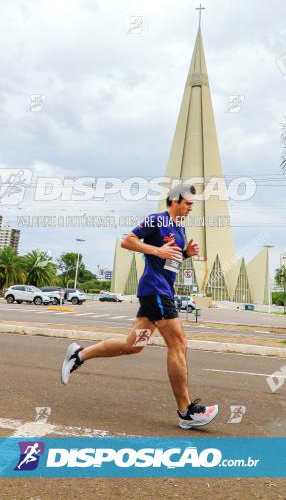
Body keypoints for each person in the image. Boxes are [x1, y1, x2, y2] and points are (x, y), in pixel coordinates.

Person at [60, 183, 218, 429]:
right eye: (188, 203)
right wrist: (157, 250)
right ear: (175, 200)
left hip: (160, 291)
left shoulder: (180, 229)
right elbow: (128, 241)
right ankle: (186, 411)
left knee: (132, 345)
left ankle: (79, 354)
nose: (190, 208)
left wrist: (185, 254)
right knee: (178, 344)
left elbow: (169, 258)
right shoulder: (157, 220)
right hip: (155, 291)